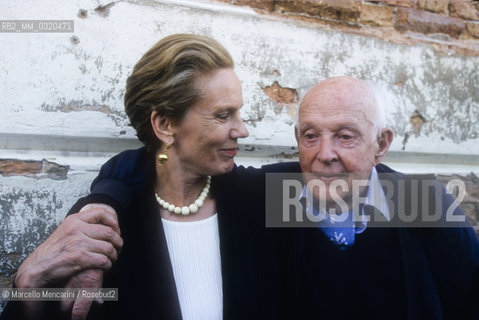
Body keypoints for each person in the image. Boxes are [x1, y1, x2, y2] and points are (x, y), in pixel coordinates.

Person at [69, 76, 479, 319]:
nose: (325, 154)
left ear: (381, 144)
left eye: (346, 135)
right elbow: (152, 162)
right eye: (311, 135)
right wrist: (104, 202)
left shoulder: (419, 204)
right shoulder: (280, 195)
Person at [1, 34, 283, 320]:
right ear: (164, 125)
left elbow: (328, 187)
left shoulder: (260, 199)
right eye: (224, 115)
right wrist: (27, 292)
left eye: (238, 112)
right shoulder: (104, 228)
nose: (242, 130)